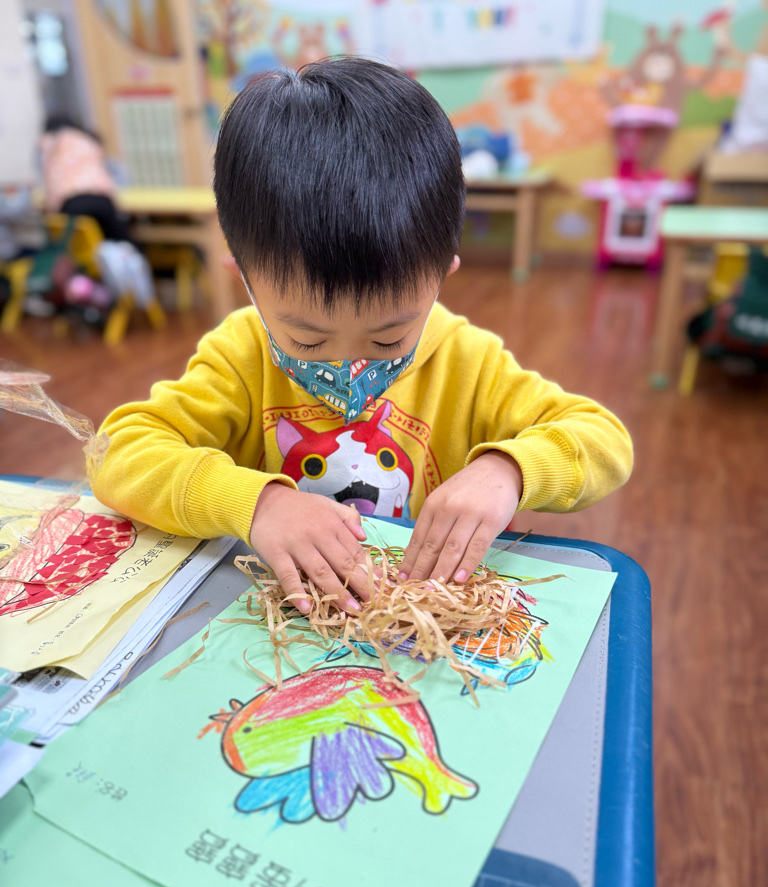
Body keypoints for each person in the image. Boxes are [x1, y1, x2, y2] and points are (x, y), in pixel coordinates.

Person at [89, 58, 633, 613]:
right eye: (307, 341)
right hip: (280, 620)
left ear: (440, 276)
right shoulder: (241, 355)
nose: (347, 363)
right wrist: (256, 504)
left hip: (418, 621)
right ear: (244, 280)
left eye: (388, 338)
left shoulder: (467, 362)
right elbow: (117, 453)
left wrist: (508, 472)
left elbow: (603, 440)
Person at [39, 114, 129, 242]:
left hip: (71, 202)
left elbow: (49, 177)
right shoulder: (86, 140)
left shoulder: (48, 143)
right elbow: (105, 169)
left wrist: (51, 207)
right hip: (102, 198)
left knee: (77, 244)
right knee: (117, 241)